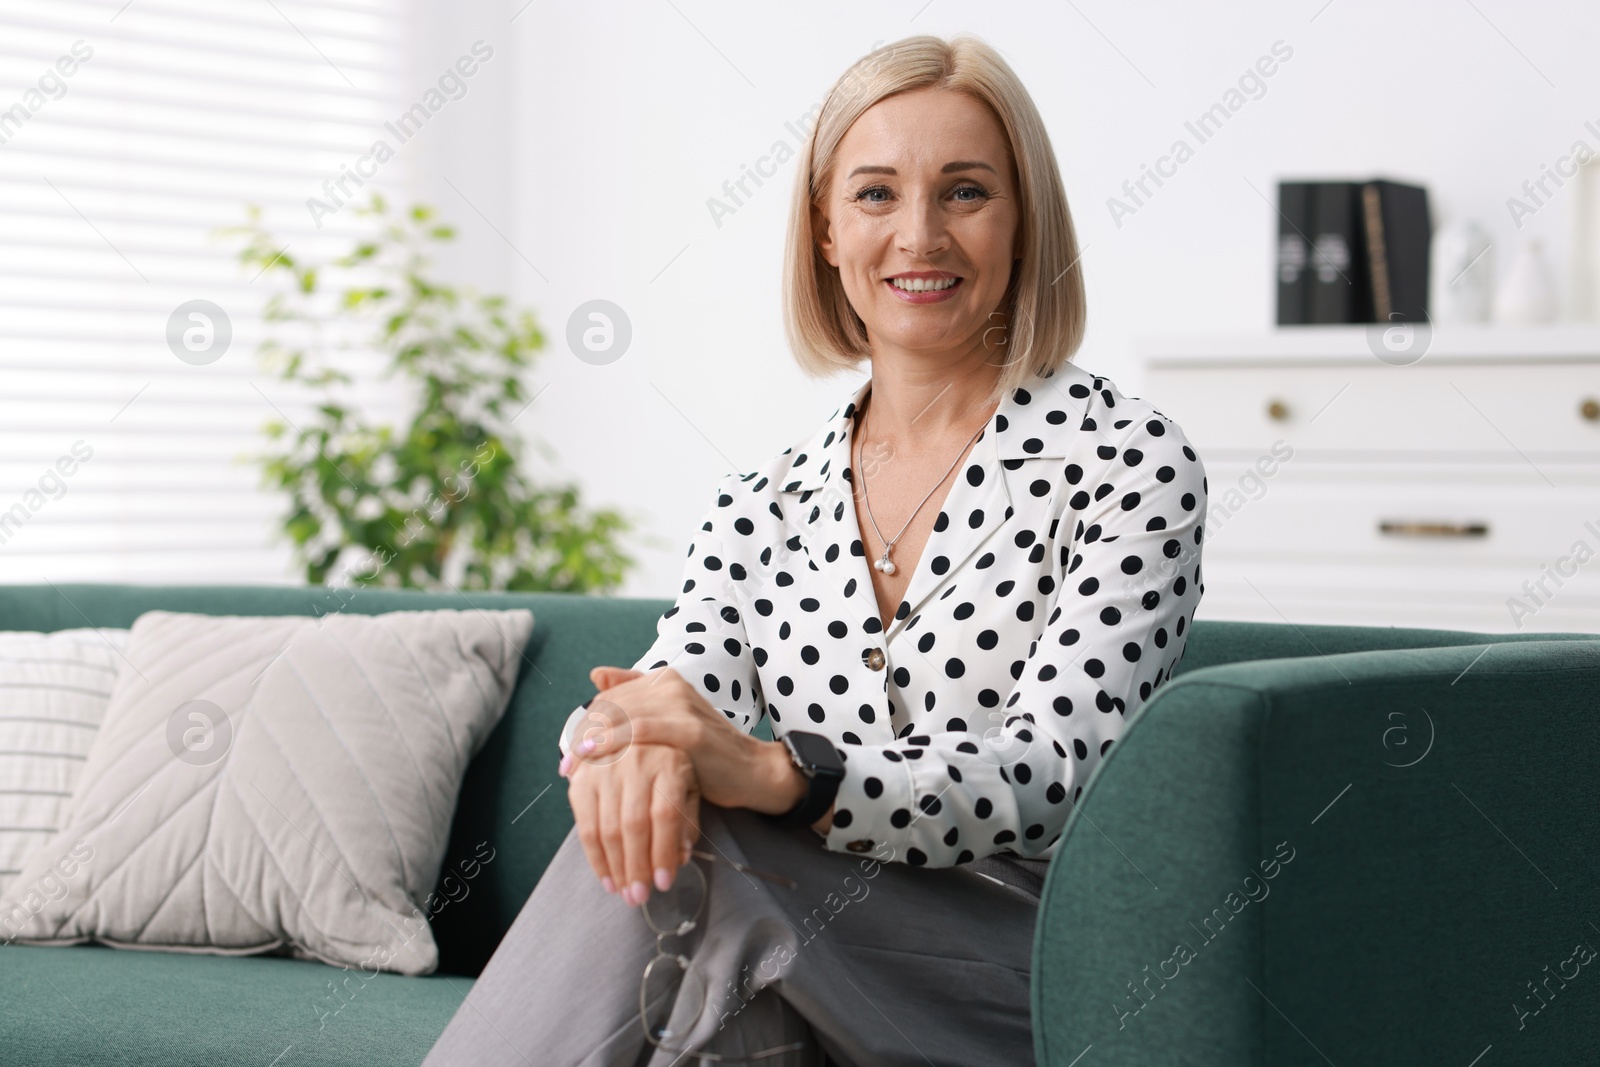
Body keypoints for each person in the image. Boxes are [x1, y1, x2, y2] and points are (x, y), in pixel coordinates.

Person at [422, 31, 1207, 1067]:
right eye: (876, 194)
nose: (919, 234)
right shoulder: (765, 499)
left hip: (1030, 965)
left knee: (707, 845)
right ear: (827, 233)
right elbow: (667, 688)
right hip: (798, 943)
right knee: (717, 990)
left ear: (1022, 224)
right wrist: (618, 741)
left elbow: (1044, 776)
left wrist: (782, 773)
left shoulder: (1127, 461)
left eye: (965, 191)